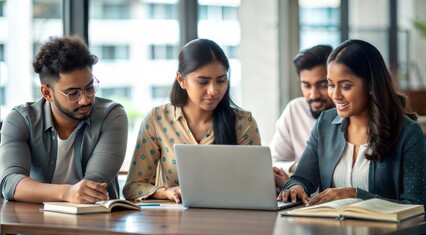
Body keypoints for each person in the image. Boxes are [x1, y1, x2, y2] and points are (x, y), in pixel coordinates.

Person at [278, 39, 426, 207]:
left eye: (346, 86)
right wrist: (296, 187)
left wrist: (355, 194)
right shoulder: (326, 123)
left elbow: (418, 206)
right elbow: (301, 178)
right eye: (331, 84)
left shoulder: (408, 134)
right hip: (330, 230)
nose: (335, 95)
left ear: (370, 84)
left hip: (385, 233)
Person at [123, 39, 261, 203]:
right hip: (173, 221)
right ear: (181, 80)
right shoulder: (158, 120)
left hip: (229, 219)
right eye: (203, 82)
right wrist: (166, 192)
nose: (213, 91)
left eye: (221, 80)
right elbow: (133, 187)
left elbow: (257, 185)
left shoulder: (243, 123)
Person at [0, 36, 128, 204]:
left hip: (95, 223)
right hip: (36, 223)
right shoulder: (21, 120)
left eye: (89, 88)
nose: (85, 99)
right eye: (72, 93)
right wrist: (67, 193)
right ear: (47, 93)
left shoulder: (111, 116)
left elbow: (94, 186)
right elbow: (10, 183)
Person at [270, 45, 334, 191]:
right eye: (306, 86)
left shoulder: (346, 115)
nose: (314, 94)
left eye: (322, 85)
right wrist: (298, 168)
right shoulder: (294, 110)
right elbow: (274, 161)